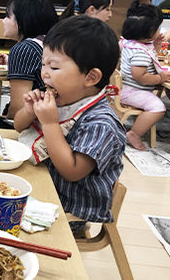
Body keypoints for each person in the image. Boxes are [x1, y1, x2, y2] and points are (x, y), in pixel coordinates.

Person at [14, 16, 125, 233]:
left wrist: (50, 123)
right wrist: (29, 111)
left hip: (69, 209)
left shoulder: (101, 123)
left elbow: (72, 171)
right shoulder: (63, 98)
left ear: (91, 77)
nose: (44, 73)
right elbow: (18, 127)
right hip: (43, 180)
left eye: (54, 67)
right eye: (43, 64)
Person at [0, 0, 58, 124]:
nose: (3, 21)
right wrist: (11, 61)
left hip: (34, 126)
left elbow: (17, 110)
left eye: (8, 16)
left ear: (25, 20)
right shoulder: (48, 41)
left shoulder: (24, 49)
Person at [119, 0, 170, 150]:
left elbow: (146, 57)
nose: (159, 31)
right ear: (147, 33)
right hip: (132, 91)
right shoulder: (140, 52)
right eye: (157, 28)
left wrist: (155, 46)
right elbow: (139, 75)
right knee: (158, 107)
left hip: (127, 88)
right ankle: (134, 133)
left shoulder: (131, 43)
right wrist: (159, 78)